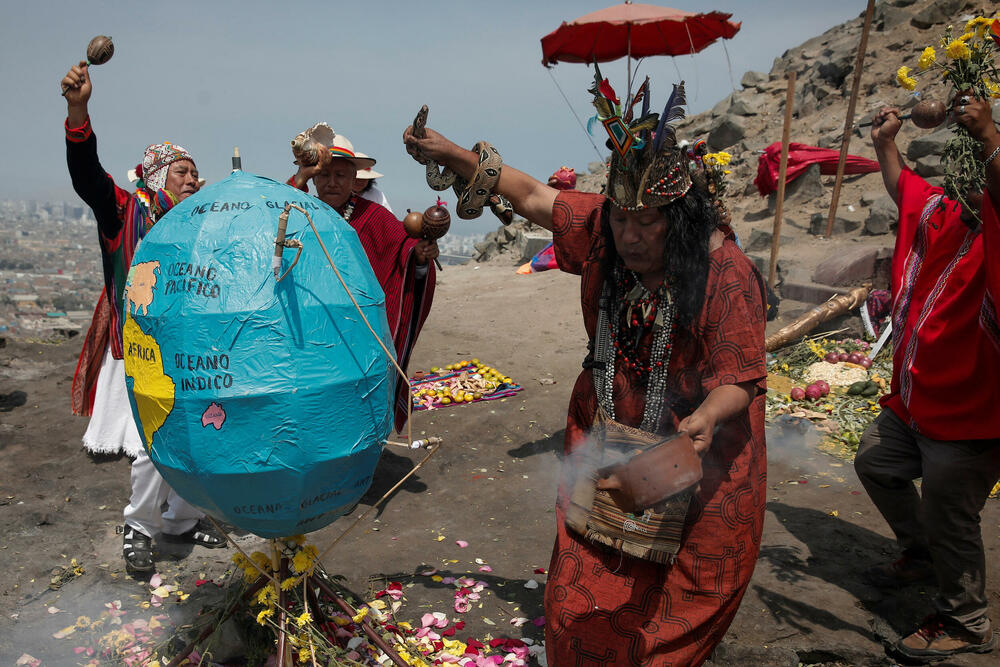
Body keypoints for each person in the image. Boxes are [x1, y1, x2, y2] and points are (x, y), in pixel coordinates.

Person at [404, 90, 767, 665]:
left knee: (676, 615)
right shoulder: (602, 228)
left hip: (702, 453)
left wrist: (704, 419)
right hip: (605, 432)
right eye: (621, 219)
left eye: (647, 222)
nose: (630, 236)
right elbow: (530, 195)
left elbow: (739, 378)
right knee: (577, 597)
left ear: (679, 217)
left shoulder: (725, 270)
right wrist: (450, 152)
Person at [61, 60, 224, 577]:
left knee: (197, 433)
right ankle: (138, 526)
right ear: (157, 178)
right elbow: (87, 175)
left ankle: (180, 520)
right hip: (139, 347)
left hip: (187, 346)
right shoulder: (125, 212)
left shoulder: (199, 226)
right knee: (155, 444)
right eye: (184, 172)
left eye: (196, 173)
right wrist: (78, 110)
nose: (194, 180)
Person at [853, 95, 1000, 663]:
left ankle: (968, 622)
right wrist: (885, 142)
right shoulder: (940, 214)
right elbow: (904, 189)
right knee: (875, 462)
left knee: (949, 508)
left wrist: (988, 134)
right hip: (914, 406)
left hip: (970, 417)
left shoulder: (994, 238)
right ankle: (918, 554)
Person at [288, 130, 437, 431]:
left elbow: (402, 247)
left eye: (341, 175)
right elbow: (272, 224)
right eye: (324, 174)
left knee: (354, 403)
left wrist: (419, 255)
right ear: (314, 178)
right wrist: (300, 177)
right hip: (309, 328)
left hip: (358, 332)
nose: (332, 182)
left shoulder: (374, 216)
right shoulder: (298, 210)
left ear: (355, 177)